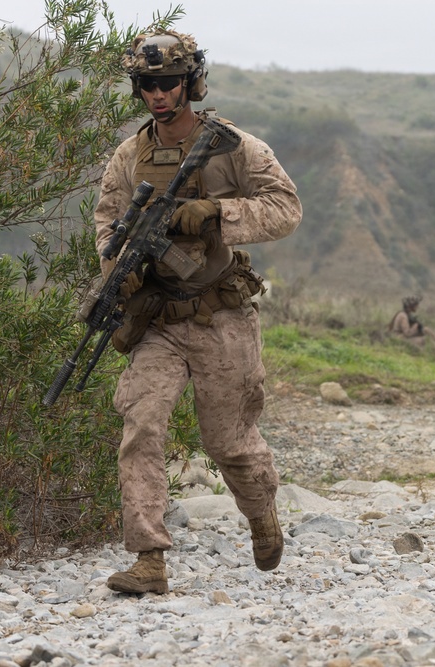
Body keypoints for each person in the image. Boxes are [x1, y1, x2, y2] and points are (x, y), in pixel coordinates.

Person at [94, 29, 302, 594]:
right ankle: (149, 560)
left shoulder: (232, 146)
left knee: (228, 440)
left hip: (221, 317)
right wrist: (121, 268)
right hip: (158, 319)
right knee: (141, 427)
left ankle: (260, 512)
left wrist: (217, 214)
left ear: (191, 82)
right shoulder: (129, 154)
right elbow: (108, 221)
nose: (158, 95)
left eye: (167, 83)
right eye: (147, 85)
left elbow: (285, 208)